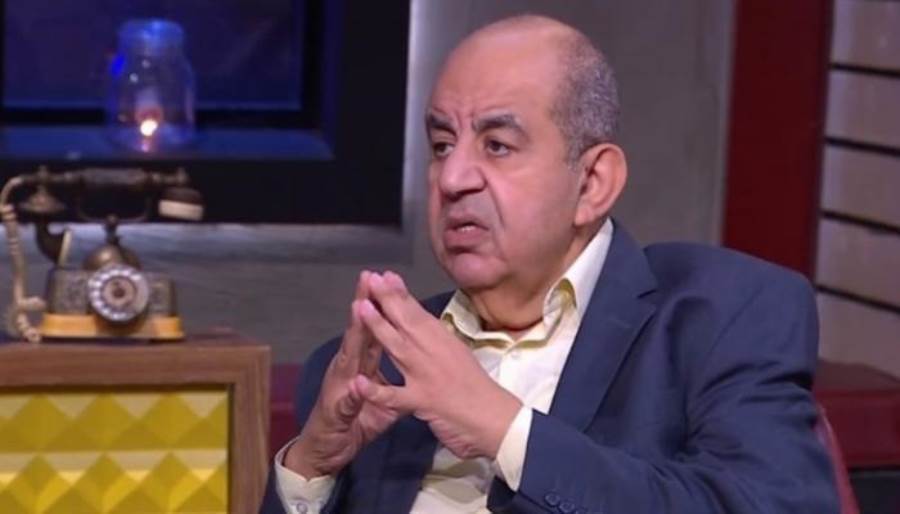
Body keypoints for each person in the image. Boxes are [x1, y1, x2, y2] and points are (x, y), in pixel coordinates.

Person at [260, 14, 838, 514]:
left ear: (592, 183)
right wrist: (312, 466)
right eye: (441, 146)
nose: (453, 178)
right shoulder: (374, 369)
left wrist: (504, 429)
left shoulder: (720, 318)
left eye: (497, 145)